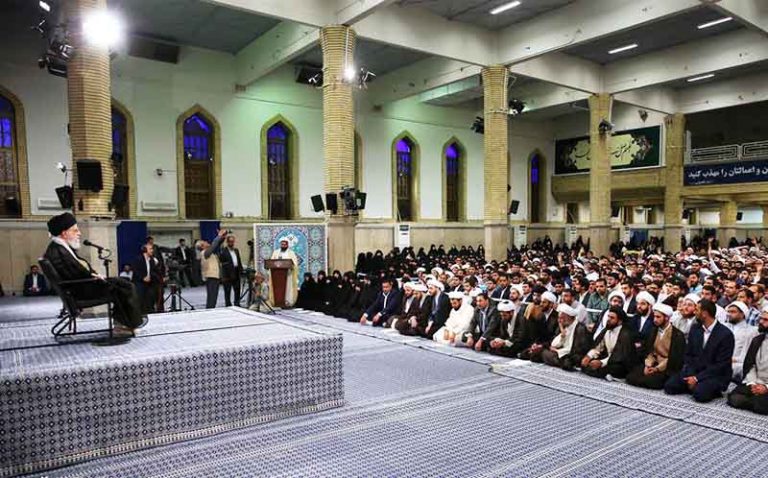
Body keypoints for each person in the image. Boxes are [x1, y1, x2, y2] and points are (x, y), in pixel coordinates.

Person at [43, 212, 145, 334]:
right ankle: (128, 324)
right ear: (64, 233)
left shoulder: (60, 247)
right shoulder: (58, 251)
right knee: (126, 287)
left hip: (82, 286)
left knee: (124, 283)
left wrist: (93, 275)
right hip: (82, 291)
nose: (79, 233)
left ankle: (125, 322)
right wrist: (93, 277)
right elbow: (72, 275)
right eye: (75, 230)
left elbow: (75, 270)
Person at [664, 299, 735, 402]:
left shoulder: (725, 334)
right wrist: (691, 375)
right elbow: (688, 354)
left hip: (714, 374)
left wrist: (697, 378)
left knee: (700, 394)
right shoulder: (695, 329)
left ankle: (707, 388)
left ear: (705, 313)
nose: (694, 312)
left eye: (697, 310)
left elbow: (721, 365)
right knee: (670, 386)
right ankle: (694, 385)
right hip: (695, 370)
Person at [626, 303, 686, 390]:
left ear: (666, 318)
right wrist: (648, 365)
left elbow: (674, 358)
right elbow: (649, 351)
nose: (655, 320)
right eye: (654, 316)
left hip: (667, 366)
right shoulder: (653, 330)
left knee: (653, 381)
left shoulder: (677, 335)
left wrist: (657, 369)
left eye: (658, 317)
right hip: (653, 362)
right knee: (631, 377)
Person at [727, 310, 768, 415]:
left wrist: (765, 387)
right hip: (756, 382)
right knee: (734, 397)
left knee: (761, 403)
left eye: (765, 320)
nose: (761, 322)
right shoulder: (757, 340)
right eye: (761, 318)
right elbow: (750, 365)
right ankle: (756, 402)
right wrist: (753, 383)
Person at [580, 306, 638, 379]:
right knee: (586, 363)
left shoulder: (625, 334)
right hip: (608, 359)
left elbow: (620, 356)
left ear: (619, 321)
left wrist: (601, 362)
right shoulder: (607, 330)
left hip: (620, 363)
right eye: (608, 317)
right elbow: (598, 347)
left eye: (612, 318)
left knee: (614, 368)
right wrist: (588, 356)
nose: (608, 319)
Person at [540, 303, 591, 371]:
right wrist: (562, 335)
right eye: (559, 318)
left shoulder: (580, 329)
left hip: (572, 356)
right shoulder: (563, 326)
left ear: (569, 317)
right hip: (562, 354)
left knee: (546, 354)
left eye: (561, 318)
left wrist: (558, 351)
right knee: (540, 352)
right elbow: (553, 344)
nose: (559, 320)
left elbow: (577, 350)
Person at [724, 301, 758, 381]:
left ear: (742, 314)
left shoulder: (751, 331)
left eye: (733, 312)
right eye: (728, 312)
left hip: (737, 363)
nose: (729, 314)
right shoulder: (724, 327)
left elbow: (747, 355)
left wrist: (733, 359)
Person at [132, 243, 163, 314]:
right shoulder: (138, 259)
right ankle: (140, 312)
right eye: (150, 249)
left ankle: (150, 310)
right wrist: (143, 278)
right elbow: (135, 271)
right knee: (140, 295)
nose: (152, 250)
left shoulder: (152, 260)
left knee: (151, 294)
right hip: (139, 281)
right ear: (145, 250)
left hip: (149, 282)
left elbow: (154, 271)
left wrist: (162, 277)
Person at [200, 230, 228, 309]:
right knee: (212, 296)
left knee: (214, 296)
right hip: (211, 277)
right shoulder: (205, 252)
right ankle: (210, 310)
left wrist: (223, 237)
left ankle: (211, 309)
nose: (207, 242)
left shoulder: (210, 253)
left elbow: (217, 245)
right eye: (205, 242)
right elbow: (214, 245)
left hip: (215, 276)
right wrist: (219, 236)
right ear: (202, 246)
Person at [269, 238, 299, 307]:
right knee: (277, 289)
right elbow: (271, 262)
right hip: (276, 276)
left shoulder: (291, 253)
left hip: (288, 275)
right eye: (282, 244)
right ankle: (277, 302)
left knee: (288, 289)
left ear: (287, 245)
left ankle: (287, 302)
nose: (283, 245)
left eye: (285, 244)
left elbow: (295, 264)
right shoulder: (276, 252)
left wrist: (291, 266)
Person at [219, 234, 243, 307]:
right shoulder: (223, 251)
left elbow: (239, 261)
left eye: (233, 242)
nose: (232, 243)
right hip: (227, 273)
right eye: (230, 241)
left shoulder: (236, 250)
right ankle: (228, 304)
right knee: (227, 290)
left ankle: (237, 303)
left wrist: (241, 270)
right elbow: (222, 261)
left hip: (236, 271)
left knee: (237, 289)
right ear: (227, 242)